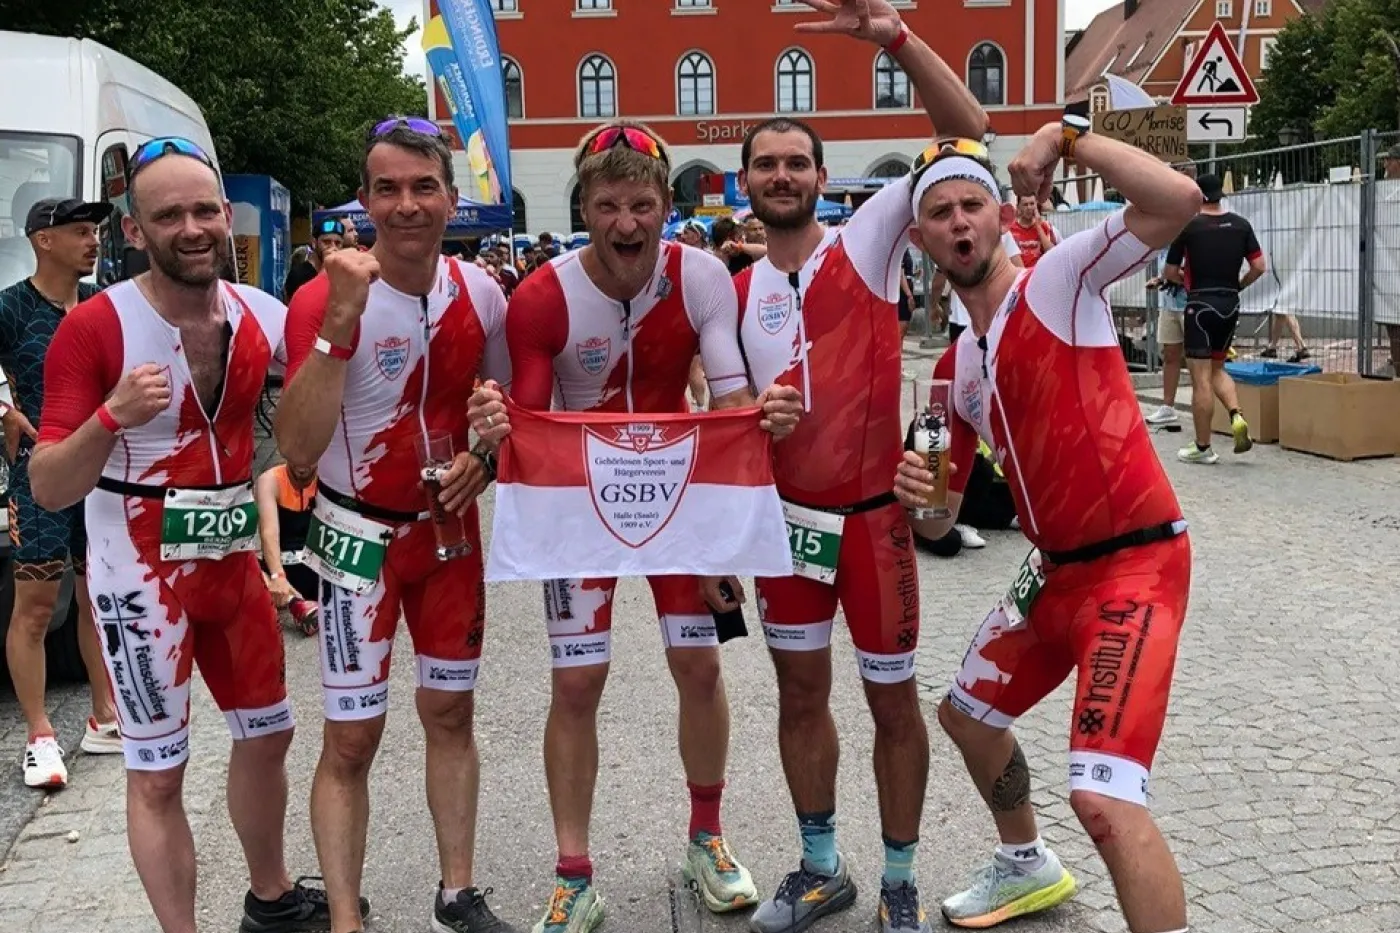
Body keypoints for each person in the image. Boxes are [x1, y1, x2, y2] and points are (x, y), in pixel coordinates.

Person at [466, 119, 803, 933]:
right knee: (576, 682)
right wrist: (493, 427)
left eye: (642, 205)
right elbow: (533, 429)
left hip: (678, 494)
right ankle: (573, 874)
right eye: (608, 205)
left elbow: (728, 401)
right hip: (579, 502)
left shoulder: (701, 277)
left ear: (665, 207)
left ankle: (707, 837)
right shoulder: (542, 296)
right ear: (583, 207)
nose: (626, 223)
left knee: (699, 666)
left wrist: (737, 500)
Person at [30, 137, 353, 933]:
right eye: (168, 214)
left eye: (205, 210)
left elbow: (334, 392)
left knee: (269, 734)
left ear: (224, 215)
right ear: (133, 230)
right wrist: (111, 417)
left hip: (232, 562)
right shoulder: (97, 327)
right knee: (158, 773)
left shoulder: (259, 315)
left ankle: (271, 898)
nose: (193, 227)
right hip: (137, 572)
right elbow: (48, 484)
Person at [893, 120, 1202, 933]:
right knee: (965, 715)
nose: (959, 223)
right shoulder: (954, 367)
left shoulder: (1058, 282)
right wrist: (915, 495)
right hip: (1054, 569)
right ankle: (1026, 861)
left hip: (1135, 563)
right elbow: (941, 520)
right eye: (940, 214)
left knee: (1104, 797)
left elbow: (1177, 200)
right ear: (921, 240)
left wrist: (1067, 138)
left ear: (1000, 215)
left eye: (972, 205)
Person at [724, 2, 988, 931]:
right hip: (788, 529)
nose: (782, 175)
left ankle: (900, 878)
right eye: (766, 164)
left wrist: (894, 38)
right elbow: (720, 418)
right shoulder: (733, 287)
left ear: (821, 178)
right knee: (800, 696)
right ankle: (820, 864)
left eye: (797, 162)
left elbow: (969, 131)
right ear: (744, 182)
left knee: (892, 702)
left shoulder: (869, 240)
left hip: (876, 523)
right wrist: (751, 422)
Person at [276, 116, 515, 933]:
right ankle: (346, 917)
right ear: (365, 199)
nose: (406, 205)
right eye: (387, 189)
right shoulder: (321, 297)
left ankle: (458, 893)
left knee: (451, 715)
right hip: (357, 543)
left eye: (423, 187)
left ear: (451, 199)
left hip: (449, 537)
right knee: (352, 739)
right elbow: (297, 450)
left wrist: (485, 455)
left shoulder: (482, 292)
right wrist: (339, 323)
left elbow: (506, 414)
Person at [0, 196, 122, 788]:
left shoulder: (103, 303)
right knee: (37, 606)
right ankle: (40, 735)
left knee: (99, 597)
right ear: (43, 240)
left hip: (102, 469)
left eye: (94, 230)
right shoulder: (11, 307)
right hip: (40, 473)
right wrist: (3, 410)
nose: (93, 240)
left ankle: (105, 717)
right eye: (79, 231)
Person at [1162, 173, 1265, 464]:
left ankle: (1203, 447)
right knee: (1218, 368)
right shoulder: (1241, 225)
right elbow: (1259, 266)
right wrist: (1239, 285)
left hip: (1200, 306)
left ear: (1198, 196)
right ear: (1220, 194)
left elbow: (1170, 272)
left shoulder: (1188, 227)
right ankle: (1236, 415)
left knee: (1201, 379)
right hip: (1230, 304)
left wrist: (1185, 280)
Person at [255, 461, 320, 636]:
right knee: (241, 560)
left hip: (319, 571)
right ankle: (296, 604)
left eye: (308, 459)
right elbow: (269, 533)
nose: (302, 464)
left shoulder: (329, 478)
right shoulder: (269, 480)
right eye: (296, 457)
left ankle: (298, 604)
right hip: (282, 575)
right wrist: (278, 576)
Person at [283, 217, 344, 302]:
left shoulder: (341, 274)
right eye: (326, 242)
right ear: (314, 243)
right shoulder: (299, 275)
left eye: (338, 243)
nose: (333, 247)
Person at [1006, 195, 1059, 267]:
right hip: (1020, 271)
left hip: (1040, 270)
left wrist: (1038, 226)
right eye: (1025, 205)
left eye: (1032, 204)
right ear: (1018, 207)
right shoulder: (1010, 229)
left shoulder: (1045, 226)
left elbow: (1052, 253)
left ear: (1036, 205)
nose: (1029, 208)